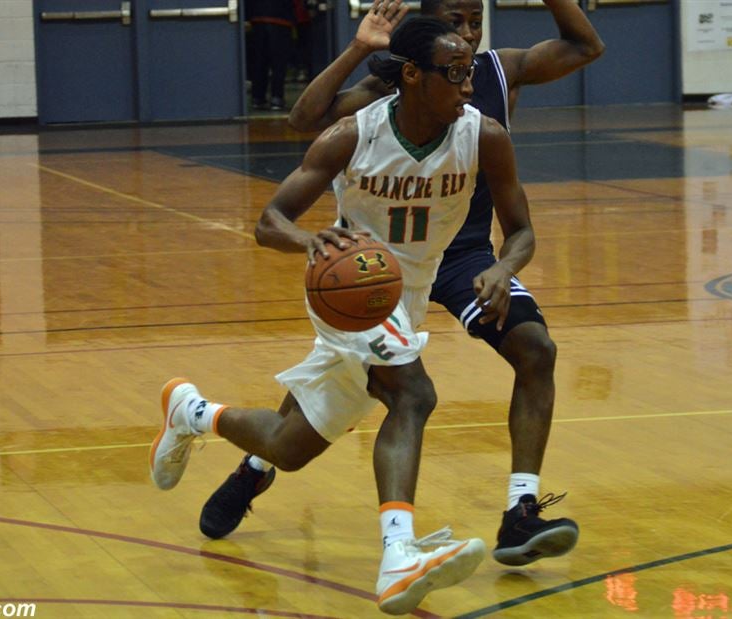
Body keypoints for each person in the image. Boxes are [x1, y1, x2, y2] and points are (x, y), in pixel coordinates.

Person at [151, 17, 537, 615]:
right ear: (412, 75)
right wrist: (308, 244)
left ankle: (193, 412)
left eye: (469, 74)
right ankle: (399, 557)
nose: (468, 87)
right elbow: (268, 221)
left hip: (407, 297)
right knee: (413, 396)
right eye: (455, 75)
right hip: (348, 287)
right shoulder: (352, 135)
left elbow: (523, 233)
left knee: (290, 445)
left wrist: (501, 268)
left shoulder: (485, 136)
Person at [200, 0, 604, 568]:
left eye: (474, 21)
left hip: (461, 258)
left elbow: (586, 48)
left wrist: (504, 267)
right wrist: (362, 47)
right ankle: (270, 473)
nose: (467, 32)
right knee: (398, 388)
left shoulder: (488, 76)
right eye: (454, 22)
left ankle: (519, 513)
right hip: (376, 264)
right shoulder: (390, 91)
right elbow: (303, 120)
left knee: (535, 347)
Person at [244, 0, 294, 110]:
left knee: (259, 61)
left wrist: (247, 17)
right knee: (278, 63)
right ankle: (276, 97)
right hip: (282, 18)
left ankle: (257, 97)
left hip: (257, 18)